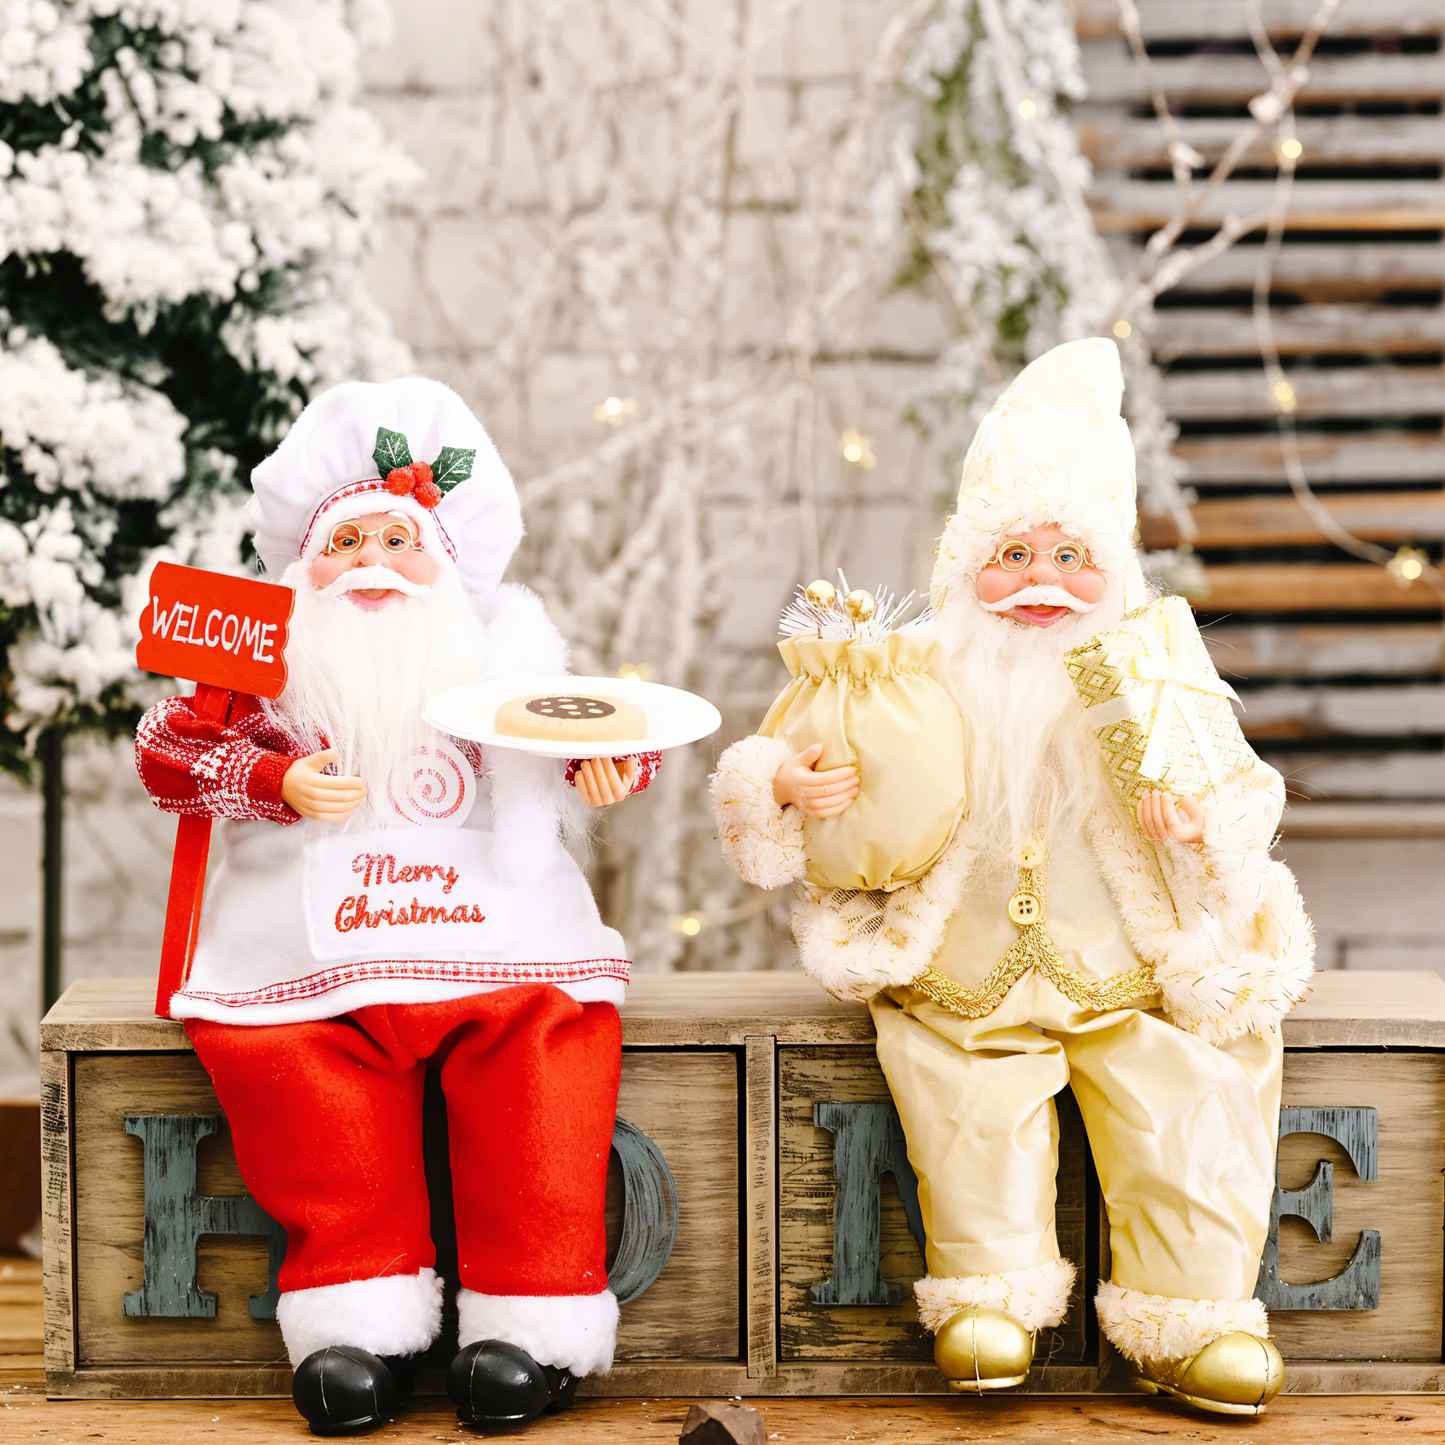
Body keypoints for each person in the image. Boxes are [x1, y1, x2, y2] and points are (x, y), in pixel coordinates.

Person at [710, 339, 1314, 1416]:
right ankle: (986, 1292)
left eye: (1069, 557)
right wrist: (789, 786)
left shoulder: (1149, 669)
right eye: (1013, 556)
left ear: (1112, 572)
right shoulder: (915, 670)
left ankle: (1194, 1310)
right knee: (961, 1101)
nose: (1040, 584)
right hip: (964, 972)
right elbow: (796, 744)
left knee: (1187, 1092)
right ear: (961, 569)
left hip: (1127, 968)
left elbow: (1241, 786)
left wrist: (1197, 819)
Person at [135, 378, 658, 1434]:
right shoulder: (261, 668)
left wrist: (602, 764)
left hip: (500, 950)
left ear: (448, 564)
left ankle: (531, 1319)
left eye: (398, 539)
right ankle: (355, 1316)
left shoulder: (497, 652)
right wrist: (270, 779)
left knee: (545, 1064)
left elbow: (598, 720)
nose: (370, 559)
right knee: (299, 1077)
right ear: (300, 566)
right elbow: (167, 752)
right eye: (346, 542)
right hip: (308, 956)